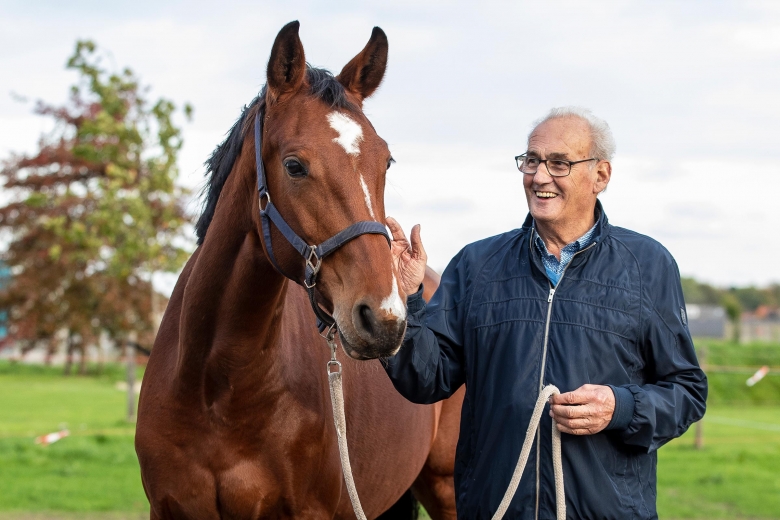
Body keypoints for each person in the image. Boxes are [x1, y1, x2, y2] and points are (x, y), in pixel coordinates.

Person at [384, 107, 707, 520]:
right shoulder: (476, 265)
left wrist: (620, 406)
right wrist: (407, 299)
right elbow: (425, 379)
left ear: (600, 176)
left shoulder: (647, 265)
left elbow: (686, 391)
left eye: (559, 163)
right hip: (495, 510)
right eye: (531, 160)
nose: (539, 176)